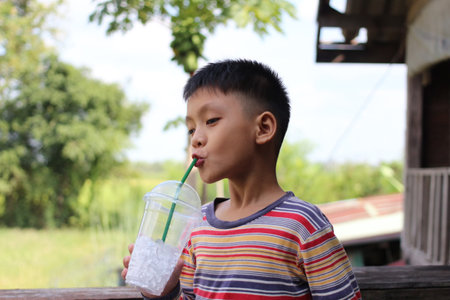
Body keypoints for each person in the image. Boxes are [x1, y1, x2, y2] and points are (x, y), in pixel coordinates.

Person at [122, 59, 361, 299]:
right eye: (191, 129)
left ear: (264, 128)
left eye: (211, 121)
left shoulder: (303, 225)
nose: (195, 139)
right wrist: (164, 292)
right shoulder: (198, 226)